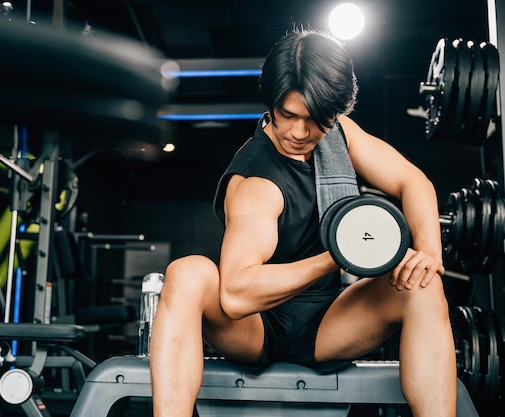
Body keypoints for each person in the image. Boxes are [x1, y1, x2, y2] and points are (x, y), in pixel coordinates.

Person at [150, 28, 457, 417]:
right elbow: (236, 294)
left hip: (329, 321)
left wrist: (429, 251)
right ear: (272, 104)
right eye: (288, 115)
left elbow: (412, 181)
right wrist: (337, 257)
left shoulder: (339, 135)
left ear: (336, 111)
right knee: (187, 272)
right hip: (256, 329)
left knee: (424, 286)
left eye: (315, 119)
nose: (299, 132)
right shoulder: (256, 182)